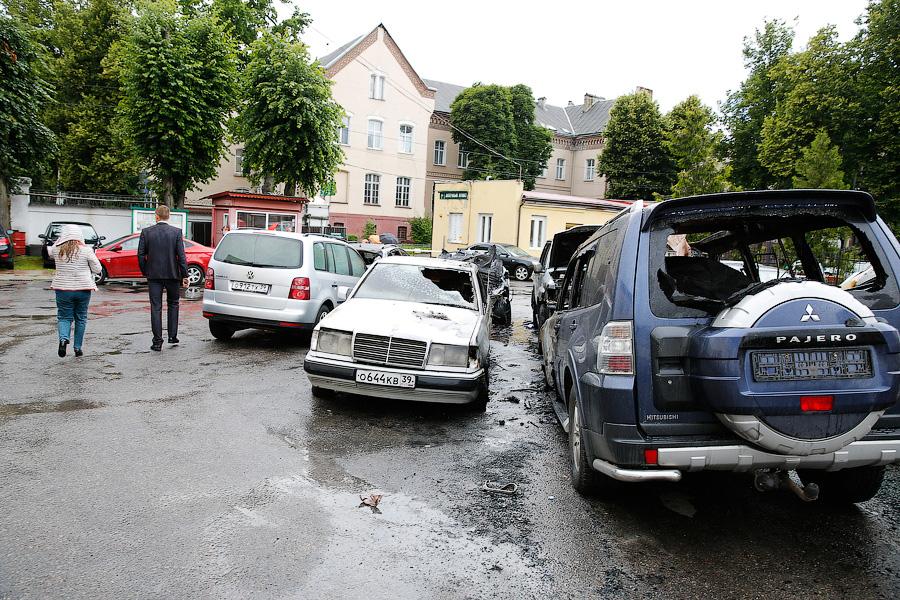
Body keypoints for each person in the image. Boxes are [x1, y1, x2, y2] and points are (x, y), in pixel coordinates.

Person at [138, 205, 188, 352]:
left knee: (156, 307)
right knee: (173, 304)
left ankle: (157, 342)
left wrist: (145, 270)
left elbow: (141, 255)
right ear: (169, 216)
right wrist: (184, 274)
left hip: (153, 275)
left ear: (157, 216)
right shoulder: (176, 232)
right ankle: (172, 336)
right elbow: (181, 256)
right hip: (173, 274)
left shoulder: (146, 232)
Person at [49, 224, 102, 357]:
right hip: (83, 289)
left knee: (64, 317)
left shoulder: (56, 249)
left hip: (63, 289)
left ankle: (63, 339)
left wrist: (59, 240)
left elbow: (51, 250)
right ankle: (77, 348)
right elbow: (98, 269)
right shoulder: (86, 250)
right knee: (81, 318)